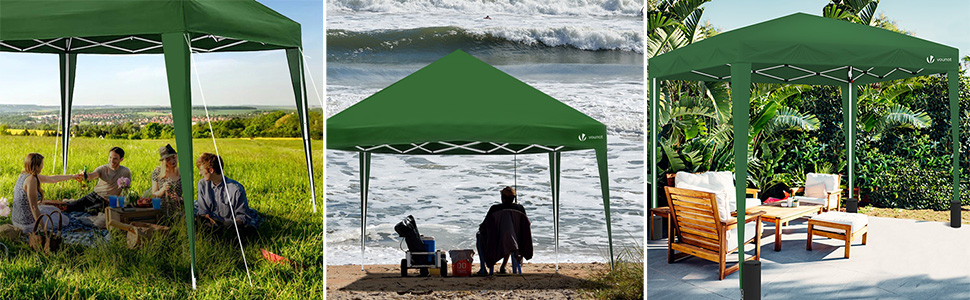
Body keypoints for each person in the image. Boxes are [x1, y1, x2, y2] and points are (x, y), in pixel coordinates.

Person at [11, 153, 78, 233]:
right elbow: (33, 207)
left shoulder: (24, 174)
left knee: (54, 209)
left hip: (16, 219)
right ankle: (37, 227)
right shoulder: (31, 180)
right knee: (65, 220)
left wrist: (72, 176)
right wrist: (43, 228)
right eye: (42, 164)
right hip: (26, 224)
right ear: (36, 166)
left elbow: (51, 179)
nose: (43, 166)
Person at [194, 153, 259, 233]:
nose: (200, 173)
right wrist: (205, 218)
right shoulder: (202, 184)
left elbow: (243, 216)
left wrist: (230, 224)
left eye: (201, 170)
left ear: (211, 170)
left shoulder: (236, 189)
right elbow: (203, 211)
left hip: (228, 226)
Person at [476, 186, 532, 275]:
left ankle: (483, 268)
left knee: (480, 235)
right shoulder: (520, 209)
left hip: (495, 241)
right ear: (513, 198)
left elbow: (484, 226)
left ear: (503, 198)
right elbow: (525, 226)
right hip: (516, 241)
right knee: (509, 237)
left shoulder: (494, 208)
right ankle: (503, 266)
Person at [67, 147, 132, 214]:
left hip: (106, 201)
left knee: (89, 211)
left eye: (115, 158)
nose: (111, 160)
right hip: (94, 195)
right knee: (71, 207)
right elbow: (92, 175)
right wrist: (85, 176)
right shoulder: (103, 168)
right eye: (110, 157)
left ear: (121, 159)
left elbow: (126, 190)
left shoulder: (125, 171)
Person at [149, 144, 182, 217]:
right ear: (164, 161)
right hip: (161, 210)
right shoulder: (157, 172)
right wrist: (163, 189)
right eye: (168, 159)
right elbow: (154, 196)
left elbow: (188, 197)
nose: (172, 161)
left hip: (178, 210)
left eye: (173, 157)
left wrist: (179, 198)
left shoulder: (182, 173)